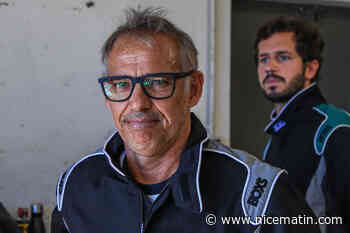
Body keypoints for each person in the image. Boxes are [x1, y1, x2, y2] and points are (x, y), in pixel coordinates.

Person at [51, 8, 320, 233]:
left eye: (157, 82)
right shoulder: (76, 185)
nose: (137, 103)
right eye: (120, 85)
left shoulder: (259, 198)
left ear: (194, 89)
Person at [255, 16, 350, 233]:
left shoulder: (335, 127)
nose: (270, 67)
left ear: (310, 69)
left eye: (283, 57)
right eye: (263, 59)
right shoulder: (279, 131)